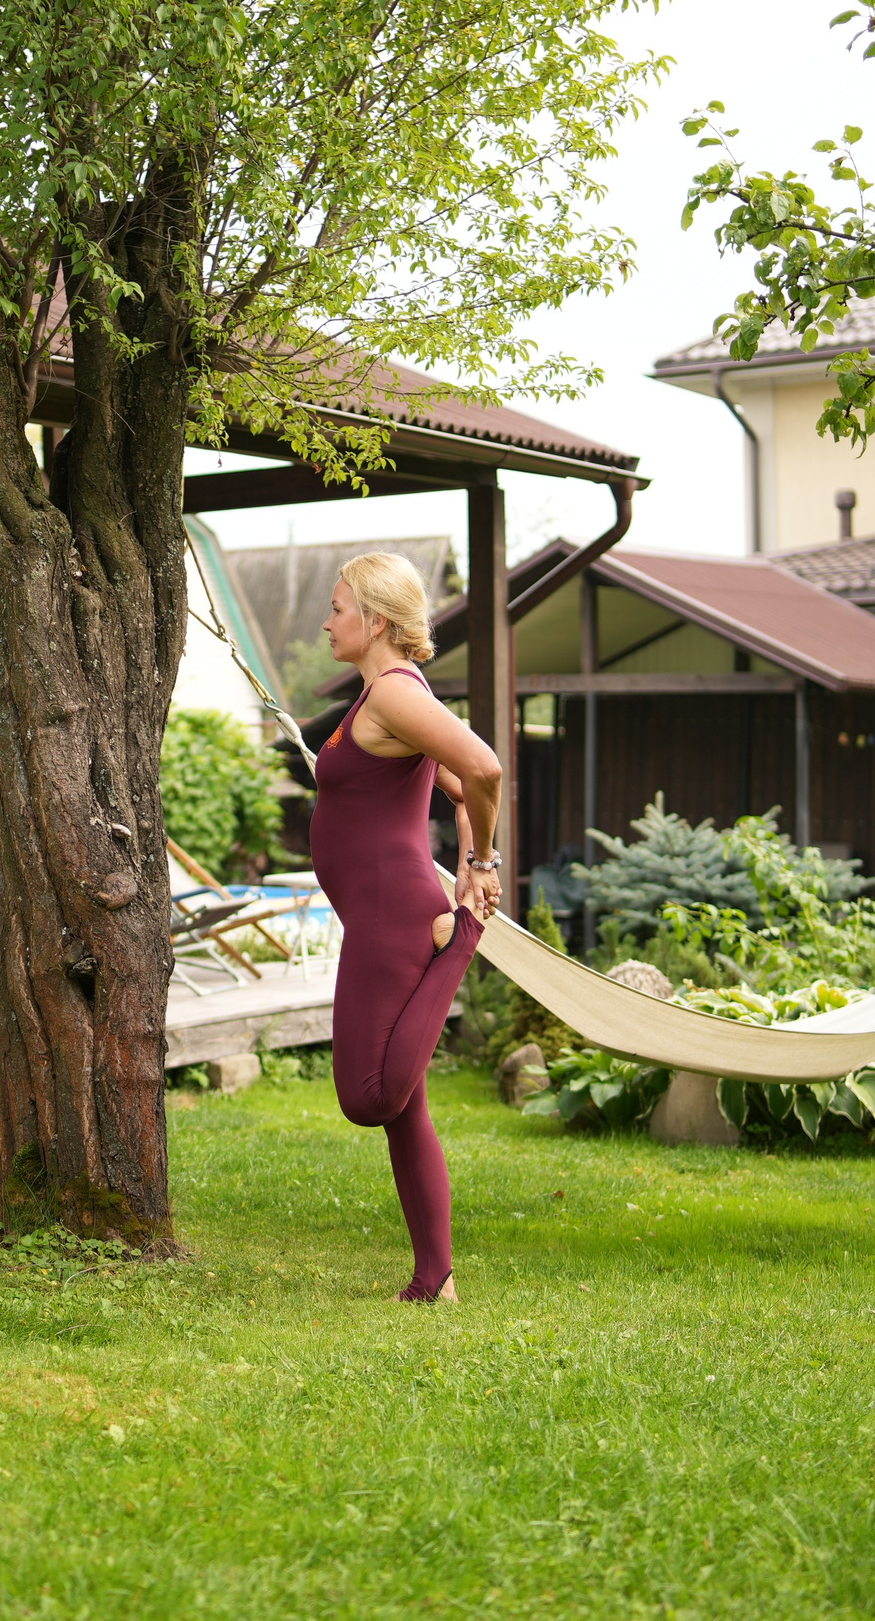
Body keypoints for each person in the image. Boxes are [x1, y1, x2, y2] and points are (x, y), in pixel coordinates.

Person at [309, 552, 503, 1304]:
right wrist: (464, 837)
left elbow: (481, 769)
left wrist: (481, 861)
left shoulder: (393, 695)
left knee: (370, 1095)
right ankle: (435, 1278)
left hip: (394, 915)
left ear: (376, 620)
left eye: (337, 607)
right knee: (407, 1106)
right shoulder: (382, 701)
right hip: (384, 907)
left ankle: (461, 943)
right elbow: (458, 785)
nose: (327, 621)